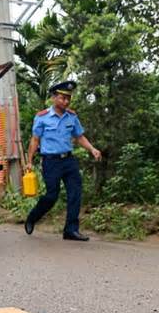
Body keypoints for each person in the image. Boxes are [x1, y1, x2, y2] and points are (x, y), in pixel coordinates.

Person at [24, 81, 101, 241]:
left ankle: (71, 230)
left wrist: (92, 149)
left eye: (68, 98)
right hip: (50, 162)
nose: (66, 101)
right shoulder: (42, 117)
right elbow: (35, 140)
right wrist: (29, 161)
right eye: (62, 98)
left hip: (69, 160)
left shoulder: (71, 117)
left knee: (75, 192)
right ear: (54, 98)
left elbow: (79, 136)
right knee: (52, 196)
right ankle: (33, 217)